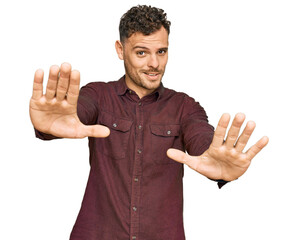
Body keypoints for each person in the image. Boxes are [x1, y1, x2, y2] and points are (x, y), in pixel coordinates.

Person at [29, 5, 269, 240]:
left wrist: (219, 163)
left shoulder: (185, 106)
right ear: (120, 50)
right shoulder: (99, 96)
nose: (154, 63)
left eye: (161, 52)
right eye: (141, 52)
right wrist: (48, 126)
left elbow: (202, 139)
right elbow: (76, 114)